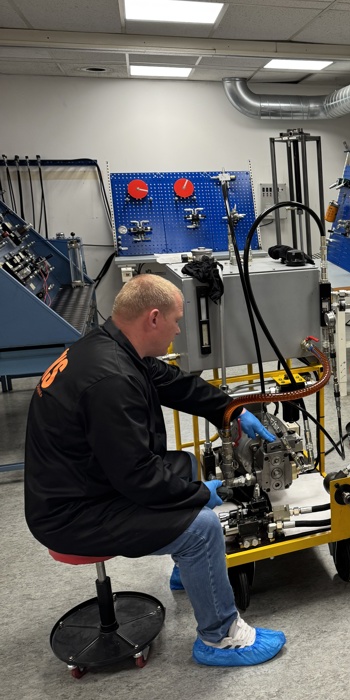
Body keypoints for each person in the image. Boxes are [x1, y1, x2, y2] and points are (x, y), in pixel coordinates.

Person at [24, 273, 285, 667]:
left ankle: (194, 571)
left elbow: (177, 384)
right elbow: (138, 477)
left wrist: (232, 410)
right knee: (202, 528)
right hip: (71, 514)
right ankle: (220, 638)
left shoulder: (110, 346)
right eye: (177, 321)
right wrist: (202, 494)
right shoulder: (111, 380)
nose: (178, 330)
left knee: (184, 464)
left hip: (84, 483)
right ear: (154, 318)